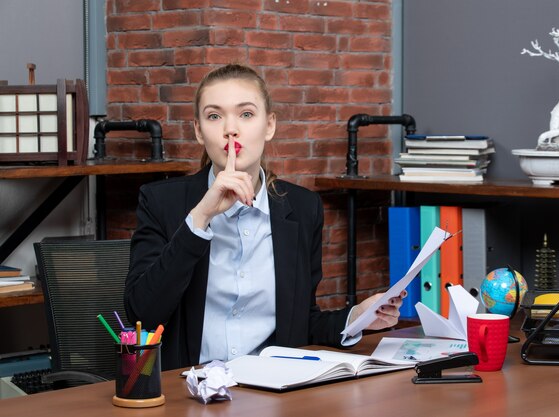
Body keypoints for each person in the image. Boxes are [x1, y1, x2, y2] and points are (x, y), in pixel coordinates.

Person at [124, 63, 405, 371]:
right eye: (214, 116)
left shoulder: (302, 208)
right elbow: (143, 315)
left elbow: (301, 323)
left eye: (246, 114)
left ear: (269, 125)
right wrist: (201, 217)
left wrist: (356, 317)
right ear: (198, 130)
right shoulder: (162, 202)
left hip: (272, 386)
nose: (231, 129)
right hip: (190, 388)